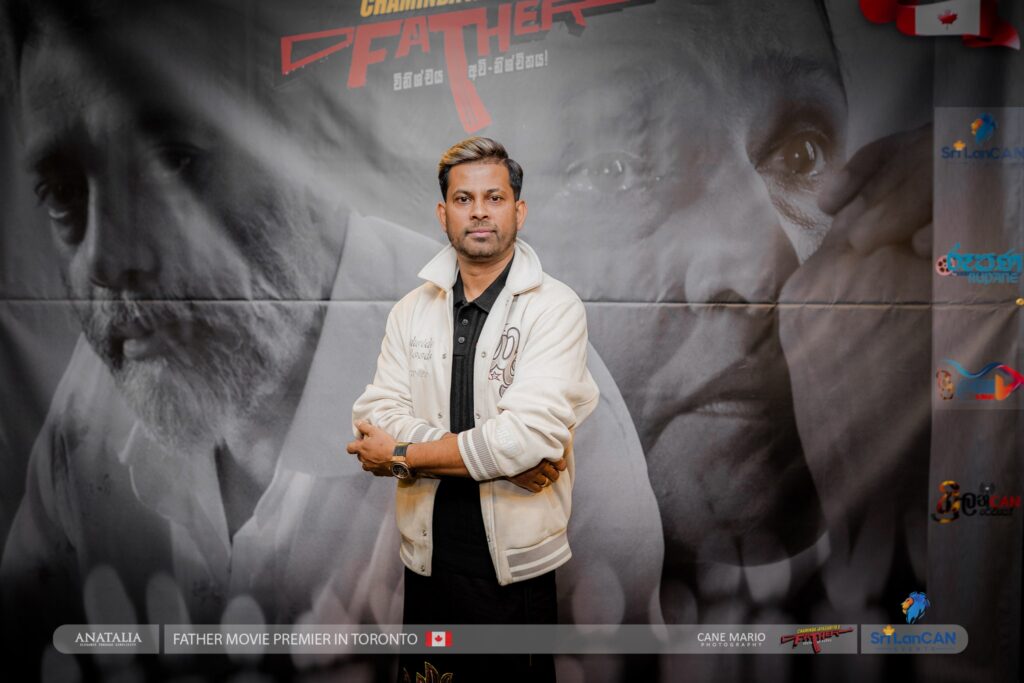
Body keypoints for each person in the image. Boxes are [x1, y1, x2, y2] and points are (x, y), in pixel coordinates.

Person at [0, 2, 663, 680]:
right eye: (63, 194)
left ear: (305, 142)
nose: (107, 261)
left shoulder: (531, 404)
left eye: (174, 163)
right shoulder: (97, 403)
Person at [347, 137, 596, 683]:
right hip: (428, 561)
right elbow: (376, 413)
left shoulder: (555, 308)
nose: (479, 211)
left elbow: (526, 437)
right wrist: (496, 459)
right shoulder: (411, 310)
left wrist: (402, 455)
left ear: (518, 211)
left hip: (514, 571)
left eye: (494, 198)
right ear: (444, 214)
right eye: (463, 199)